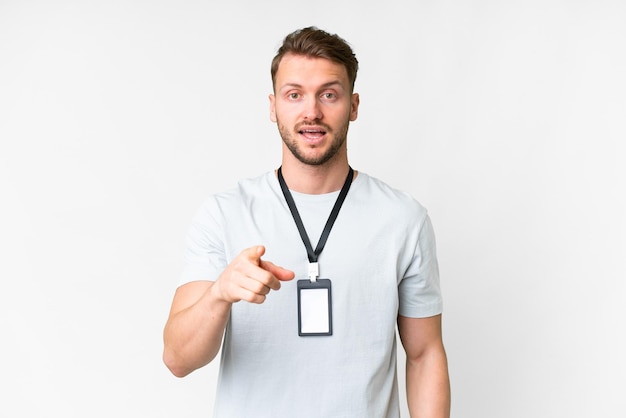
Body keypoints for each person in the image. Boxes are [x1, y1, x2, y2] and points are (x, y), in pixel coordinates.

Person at [163, 27, 451, 418]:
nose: (311, 111)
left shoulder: (403, 219)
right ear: (273, 106)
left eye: (329, 94)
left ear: (353, 105)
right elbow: (178, 359)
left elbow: (424, 354)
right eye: (294, 94)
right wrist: (219, 294)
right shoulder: (224, 213)